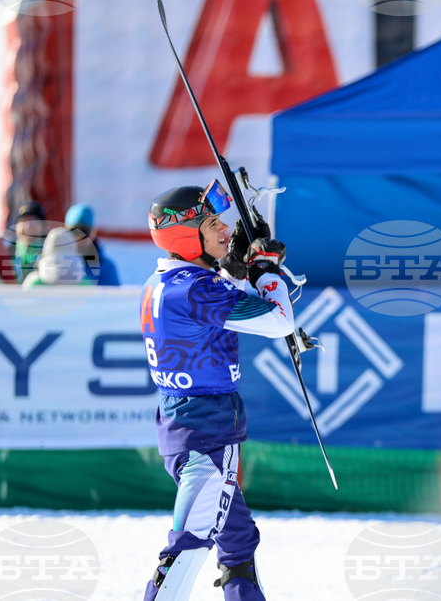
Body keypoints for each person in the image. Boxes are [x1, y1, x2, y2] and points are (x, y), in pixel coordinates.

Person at [140, 182, 293, 601]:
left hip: (188, 425)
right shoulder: (194, 288)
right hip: (207, 434)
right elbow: (278, 320)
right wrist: (264, 272)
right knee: (188, 548)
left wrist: (235, 269)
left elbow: (217, 307)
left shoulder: (168, 281)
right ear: (187, 238)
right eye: (212, 224)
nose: (225, 228)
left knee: (237, 538)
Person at [0, 201, 49, 284]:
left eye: (33, 221)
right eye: (23, 221)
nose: (27, 226)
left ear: (43, 226)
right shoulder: (6, 251)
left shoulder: (50, 251)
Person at [64, 203, 120, 286]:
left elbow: (111, 294)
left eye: (84, 231)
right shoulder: (52, 263)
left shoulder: (106, 269)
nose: (79, 238)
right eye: (74, 231)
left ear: (94, 232)